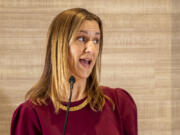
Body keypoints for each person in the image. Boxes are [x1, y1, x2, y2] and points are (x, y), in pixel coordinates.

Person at [10, 8, 138, 135]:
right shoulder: (31, 114)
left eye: (96, 41)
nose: (91, 49)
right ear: (60, 46)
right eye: (82, 39)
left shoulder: (118, 103)